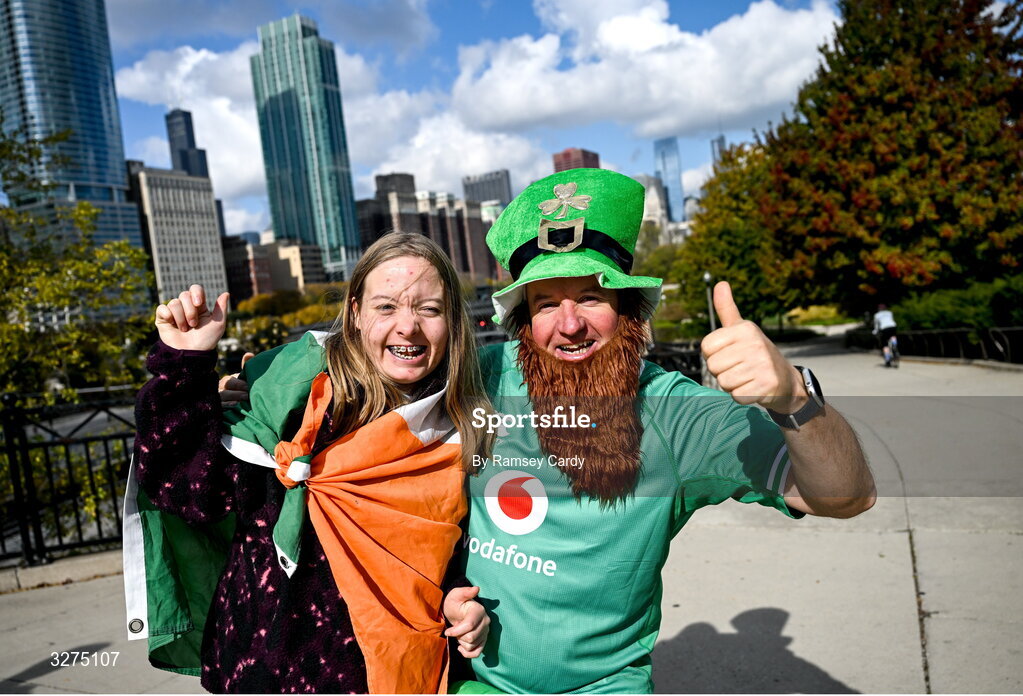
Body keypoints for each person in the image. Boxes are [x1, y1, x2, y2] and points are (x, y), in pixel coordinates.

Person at [220, 170, 877, 694]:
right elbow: (368, 349)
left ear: (628, 310)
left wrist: (794, 402)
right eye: (543, 303)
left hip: (605, 687)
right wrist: (246, 383)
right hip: (470, 680)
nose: (567, 325)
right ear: (521, 319)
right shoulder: (473, 375)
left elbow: (843, 496)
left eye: (590, 296)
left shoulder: (678, 415)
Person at [122, 232, 491, 694]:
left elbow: (445, 548)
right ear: (354, 313)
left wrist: (460, 598)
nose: (408, 327)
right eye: (386, 307)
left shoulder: (461, 424)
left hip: (394, 666)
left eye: (429, 309)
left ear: (453, 320)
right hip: (270, 669)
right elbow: (191, 493)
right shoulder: (286, 398)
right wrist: (185, 363)